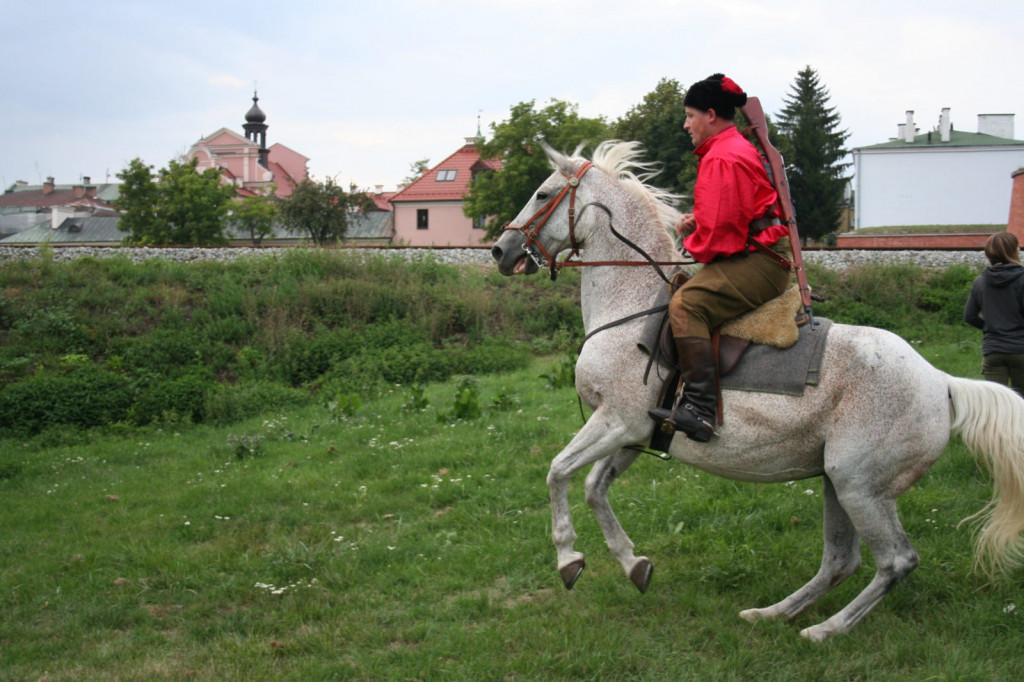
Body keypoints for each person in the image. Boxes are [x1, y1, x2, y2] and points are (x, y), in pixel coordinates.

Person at [648, 73, 792, 442]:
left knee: (686, 305)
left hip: (759, 262)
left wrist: (692, 238)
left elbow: (716, 241)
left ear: (711, 114)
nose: (685, 124)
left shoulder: (722, 157)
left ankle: (699, 409)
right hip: (760, 253)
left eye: (690, 115)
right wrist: (700, 222)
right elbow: (734, 215)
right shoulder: (732, 149)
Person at [963, 231, 1024, 397]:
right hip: (1020, 349)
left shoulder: (980, 280)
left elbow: (969, 316)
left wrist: (990, 326)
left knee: (996, 404)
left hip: (993, 350)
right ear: (1014, 251)